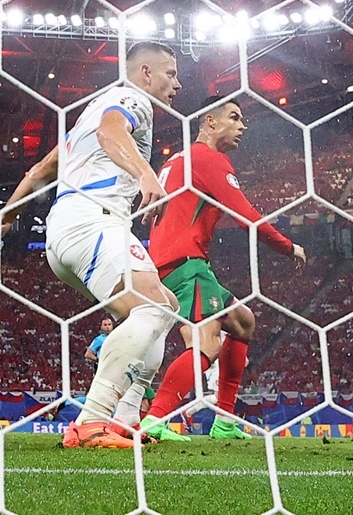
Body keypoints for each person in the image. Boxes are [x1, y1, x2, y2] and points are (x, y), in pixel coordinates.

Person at [0, 41, 182, 448]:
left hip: (64, 236)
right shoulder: (130, 99)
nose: (178, 83)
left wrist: (7, 216)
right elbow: (110, 132)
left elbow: (41, 170)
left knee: (164, 307)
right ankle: (93, 420)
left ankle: (125, 418)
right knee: (154, 308)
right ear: (146, 73)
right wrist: (145, 174)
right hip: (92, 220)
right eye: (170, 73)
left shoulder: (86, 116)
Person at [140, 96, 306, 442]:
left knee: (243, 321)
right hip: (186, 264)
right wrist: (287, 246)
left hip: (174, 260)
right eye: (234, 117)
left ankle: (224, 421)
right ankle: (154, 419)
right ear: (210, 123)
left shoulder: (176, 161)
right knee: (207, 345)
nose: (242, 126)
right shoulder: (209, 159)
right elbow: (246, 216)